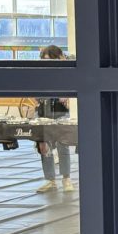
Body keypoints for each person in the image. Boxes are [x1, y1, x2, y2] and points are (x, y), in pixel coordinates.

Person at [34, 45, 73, 193]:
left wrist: (66, 94)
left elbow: (73, 87)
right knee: (44, 147)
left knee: (63, 145)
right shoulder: (40, 73)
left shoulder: (65, 71)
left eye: (49, 59)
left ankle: (66, 178)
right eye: (44, 59)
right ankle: (50, 180)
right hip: (43, 111)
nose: (46, 62)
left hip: (60, 111)